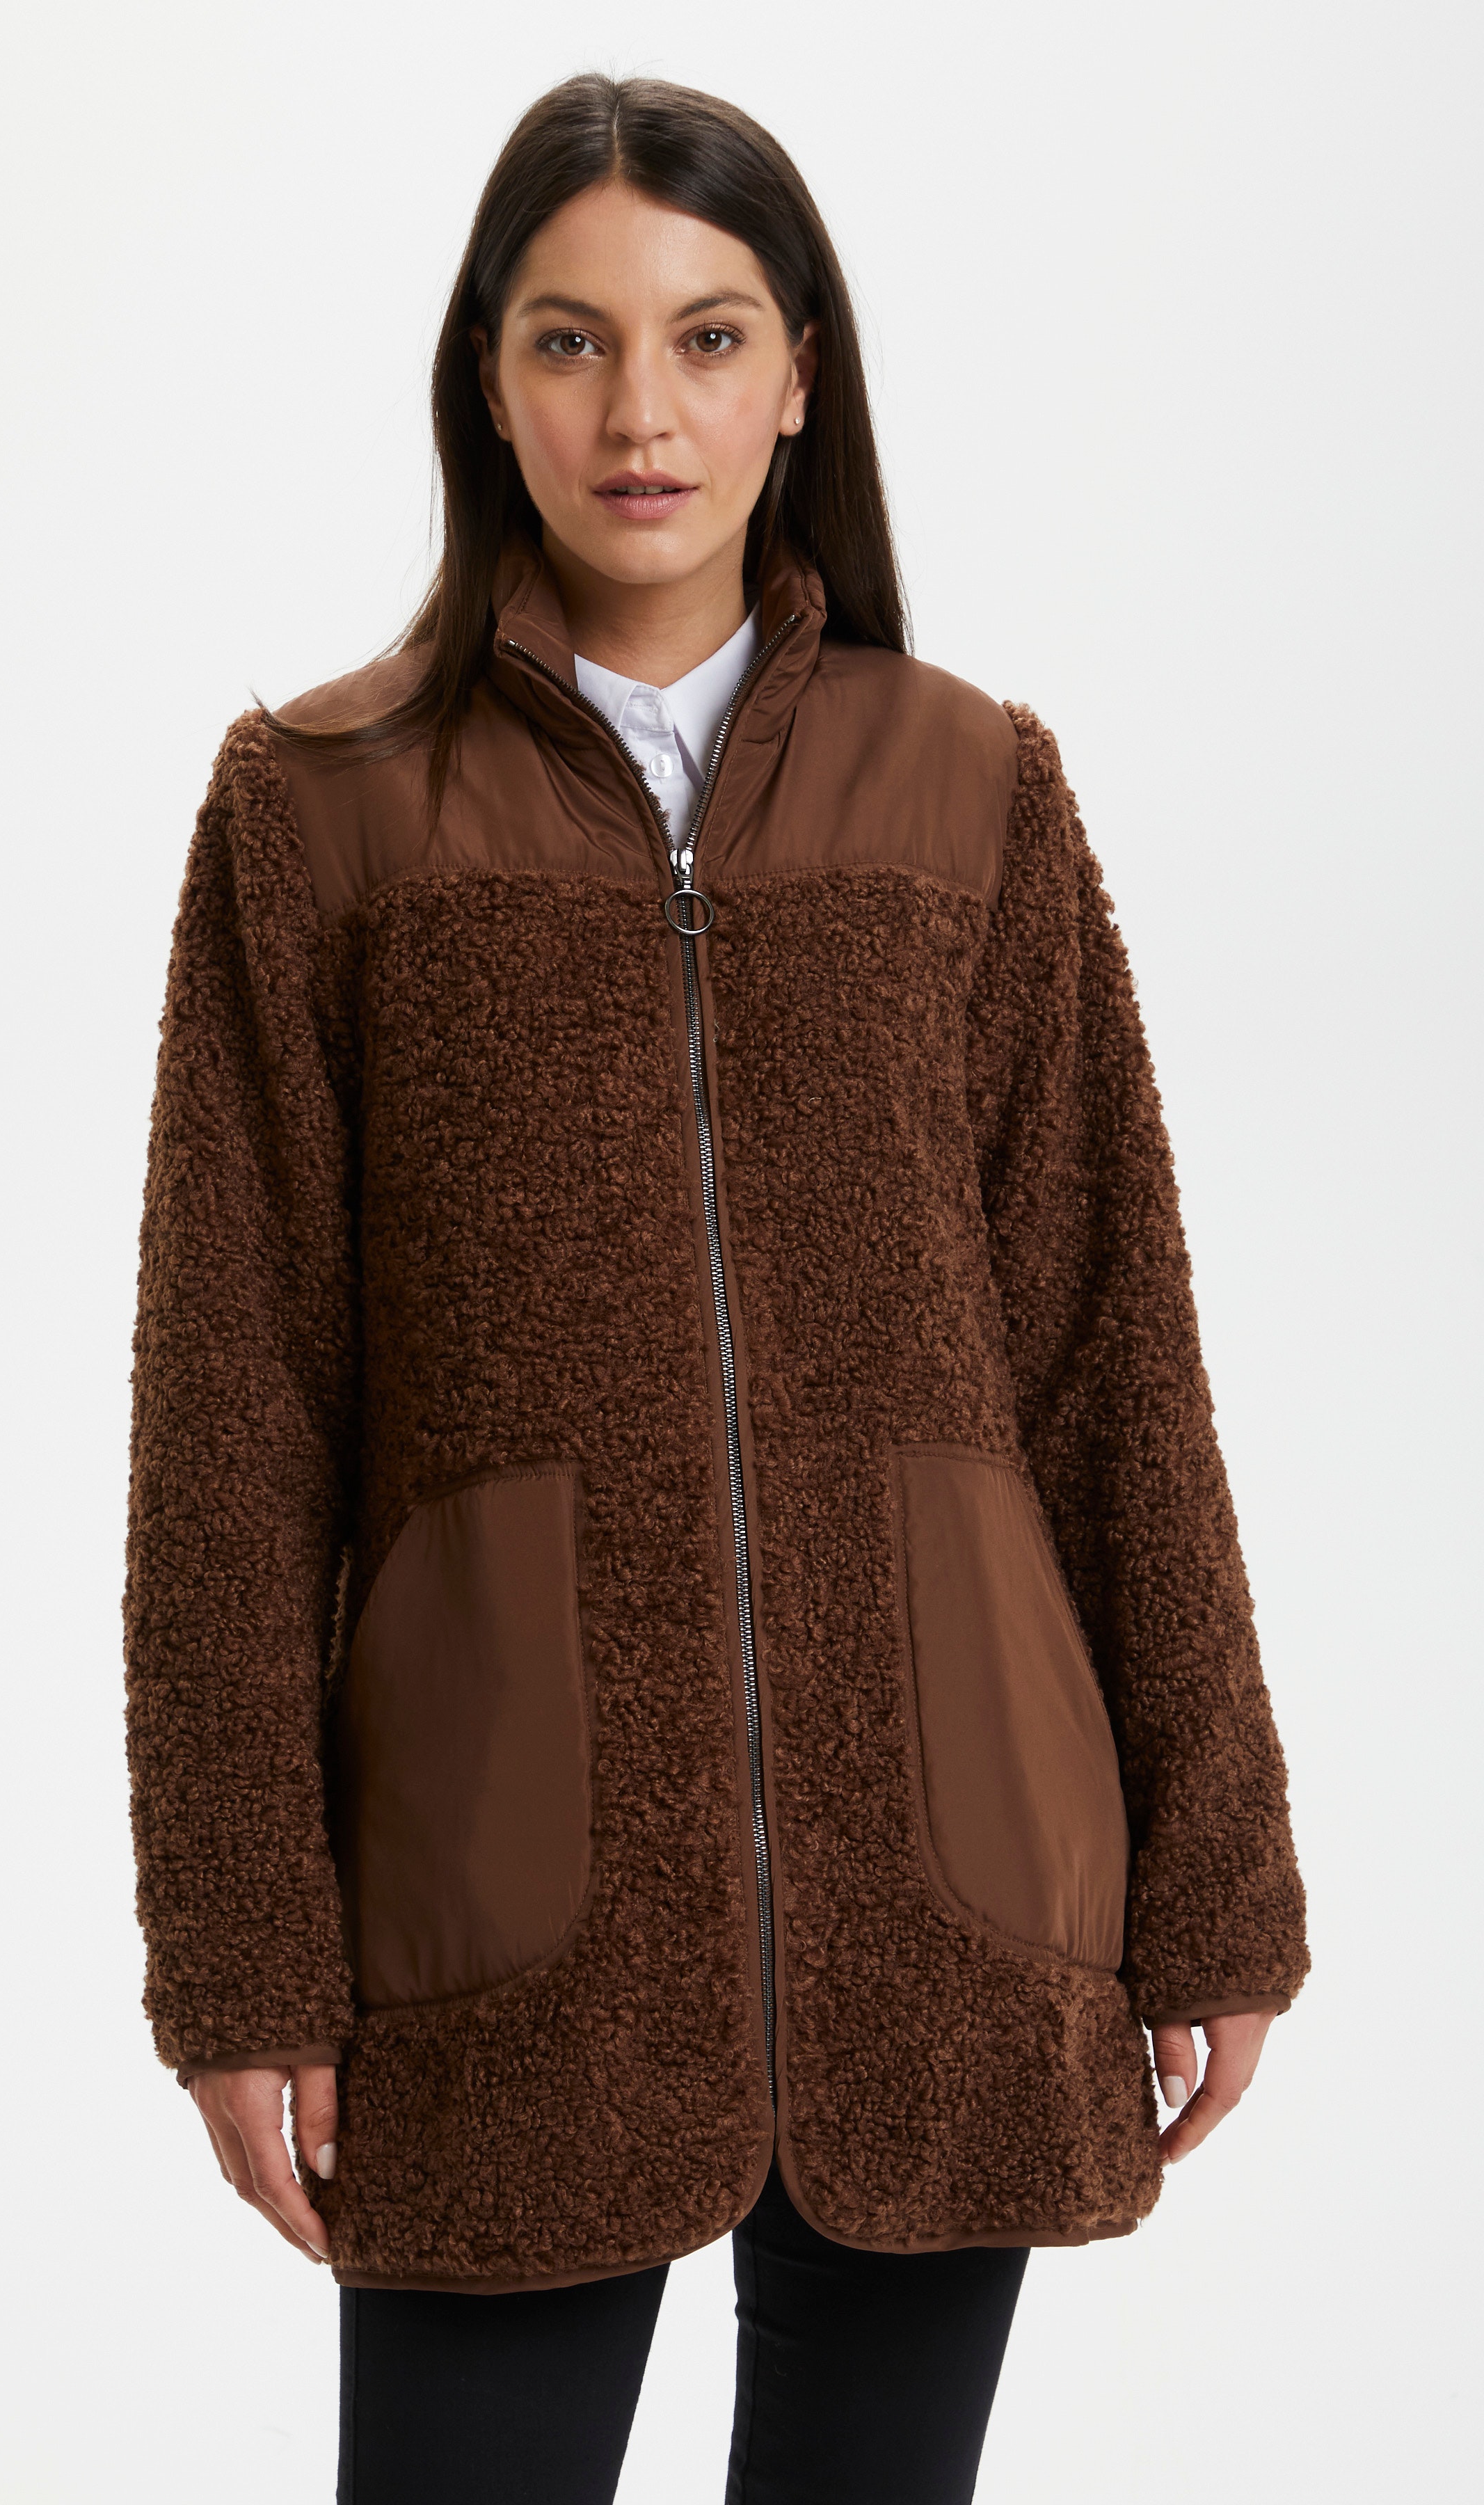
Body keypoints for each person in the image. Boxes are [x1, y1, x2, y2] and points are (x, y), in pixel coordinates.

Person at [122, 71, 1309, 2505]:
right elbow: (231, 1426)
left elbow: (1113, 1352)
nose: (639, 413)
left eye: (707, 334)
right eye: (569, 340)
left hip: (944, 1883)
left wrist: (1216, 1874)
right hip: (500, 1909)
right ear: (487, 380)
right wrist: (239, 1951)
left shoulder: (971, 790)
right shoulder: (317, 811)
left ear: (799, 379)